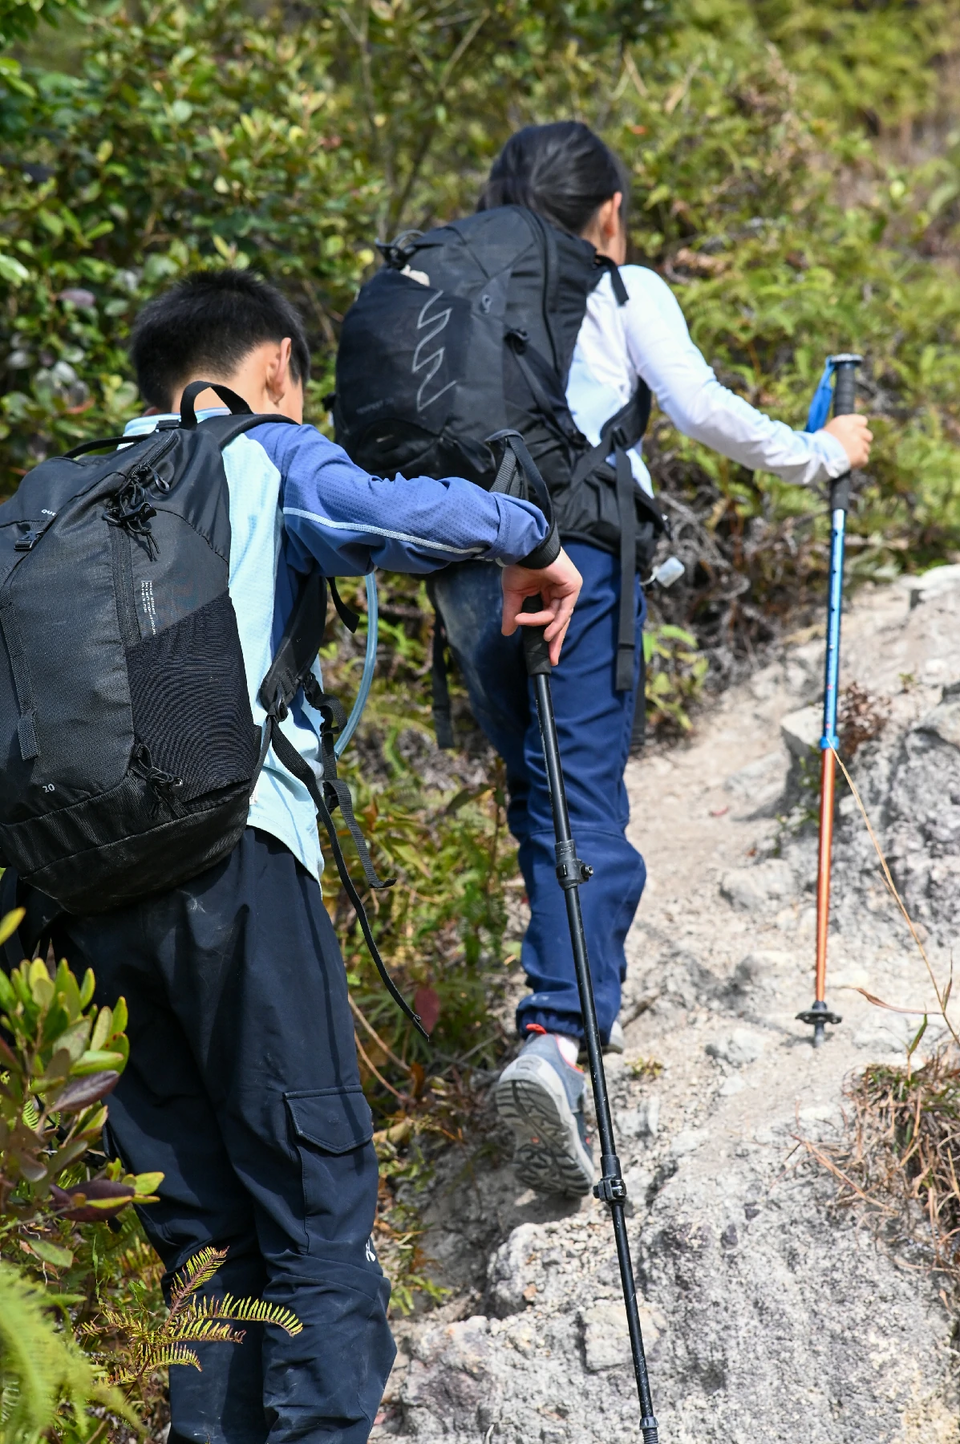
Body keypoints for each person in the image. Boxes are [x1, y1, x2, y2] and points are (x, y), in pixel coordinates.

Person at [47, 269, 582, 1444]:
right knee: (315, 1223)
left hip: (76, 913)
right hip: (231, 865)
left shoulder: (53, 496)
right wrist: (535, 535)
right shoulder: (256, 455)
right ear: (279, 364)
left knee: (206, 1245)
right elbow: (400, 518)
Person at [428, 121, 873, 1199]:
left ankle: (558, 1015)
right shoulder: (620, 293)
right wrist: (823, 453)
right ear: (609, 213)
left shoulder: (457, 292)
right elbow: (702, 409)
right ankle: (558, 1039)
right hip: (574, 557)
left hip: (463, 565)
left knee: (542, 788)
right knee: (581, 799)